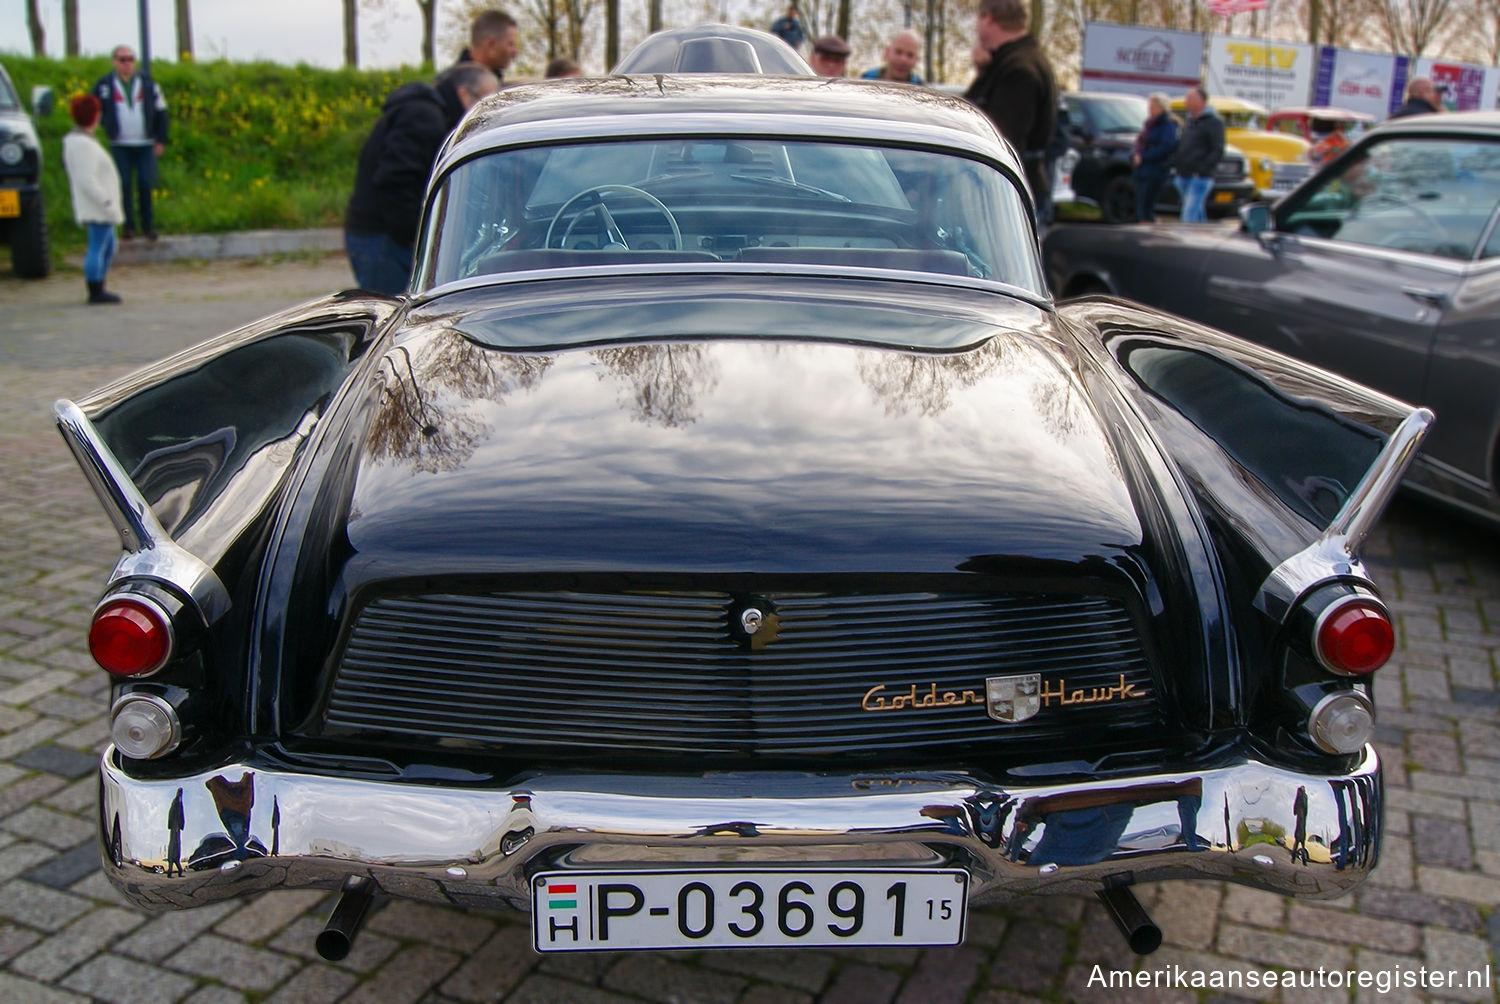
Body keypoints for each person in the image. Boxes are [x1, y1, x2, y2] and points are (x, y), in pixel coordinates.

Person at [344, 63, 501, 296]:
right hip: (384, 240)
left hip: (381, 235)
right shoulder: (423, 116)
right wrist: (414, 237)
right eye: (483, 104)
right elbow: (396, 178)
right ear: (463, 94)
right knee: (398, 317)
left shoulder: (428, 113)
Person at [964, 0, 1057, 226]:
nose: (976, 28)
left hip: (1008, 196)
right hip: (1019, 188)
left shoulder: (1018, 70)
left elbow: (997, 142)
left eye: (978, 19)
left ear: (988, 18)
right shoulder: (1019, 61)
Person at [92, 44, 168, 241]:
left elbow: (161, 112)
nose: (126, 63)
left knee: (145, 182)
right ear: (114, 61)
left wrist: (161, 139)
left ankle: (148, 225)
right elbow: (93, 109)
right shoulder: (104, 85)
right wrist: (104, 126)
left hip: (145, 143)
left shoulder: (148, 83)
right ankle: (128, 226)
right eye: (122, 59)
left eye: (130, 59)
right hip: (120, 144)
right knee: (123, 183)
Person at [63, 94, 124, 304]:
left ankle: (98, 285)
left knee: (107, 246)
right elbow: (86, 179)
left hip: (101, 206)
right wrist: (106, 202)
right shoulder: (82, 144)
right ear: (93, 115)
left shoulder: (83, 141)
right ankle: (95, 289)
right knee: (98, 247)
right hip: (98, 207)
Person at [1172, 85, 1224, 224]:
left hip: (1199, 178)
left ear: (1201, 101)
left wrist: (1202, 170)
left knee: (1189, 214)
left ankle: (1187, 240)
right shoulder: (1190, 122)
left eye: (1189, 98)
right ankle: (1202, 238)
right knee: (1197, 212)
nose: (1186, 101)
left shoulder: (1214, 122)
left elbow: (1217, 150)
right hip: (1183, 175)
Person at [1131, 92, 1178, 222]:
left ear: (1161, 108)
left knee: (1147, 204)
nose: (1149, 110)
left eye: (1152, 107)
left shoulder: (1168, 124)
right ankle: (1142, 225)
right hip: (1141, 170)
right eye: (1149, 107)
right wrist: (1136, 154)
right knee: (1140, 204)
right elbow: (1141, 141)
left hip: (1155, 170)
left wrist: (1144, 156)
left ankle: (1147, 230)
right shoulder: (1149, 123)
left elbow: (1166, 147)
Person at [456, 10, 519, 82]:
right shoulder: (448, 88)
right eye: (510, 44)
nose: (515, 52)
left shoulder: (494, 83)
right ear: (490, 45)